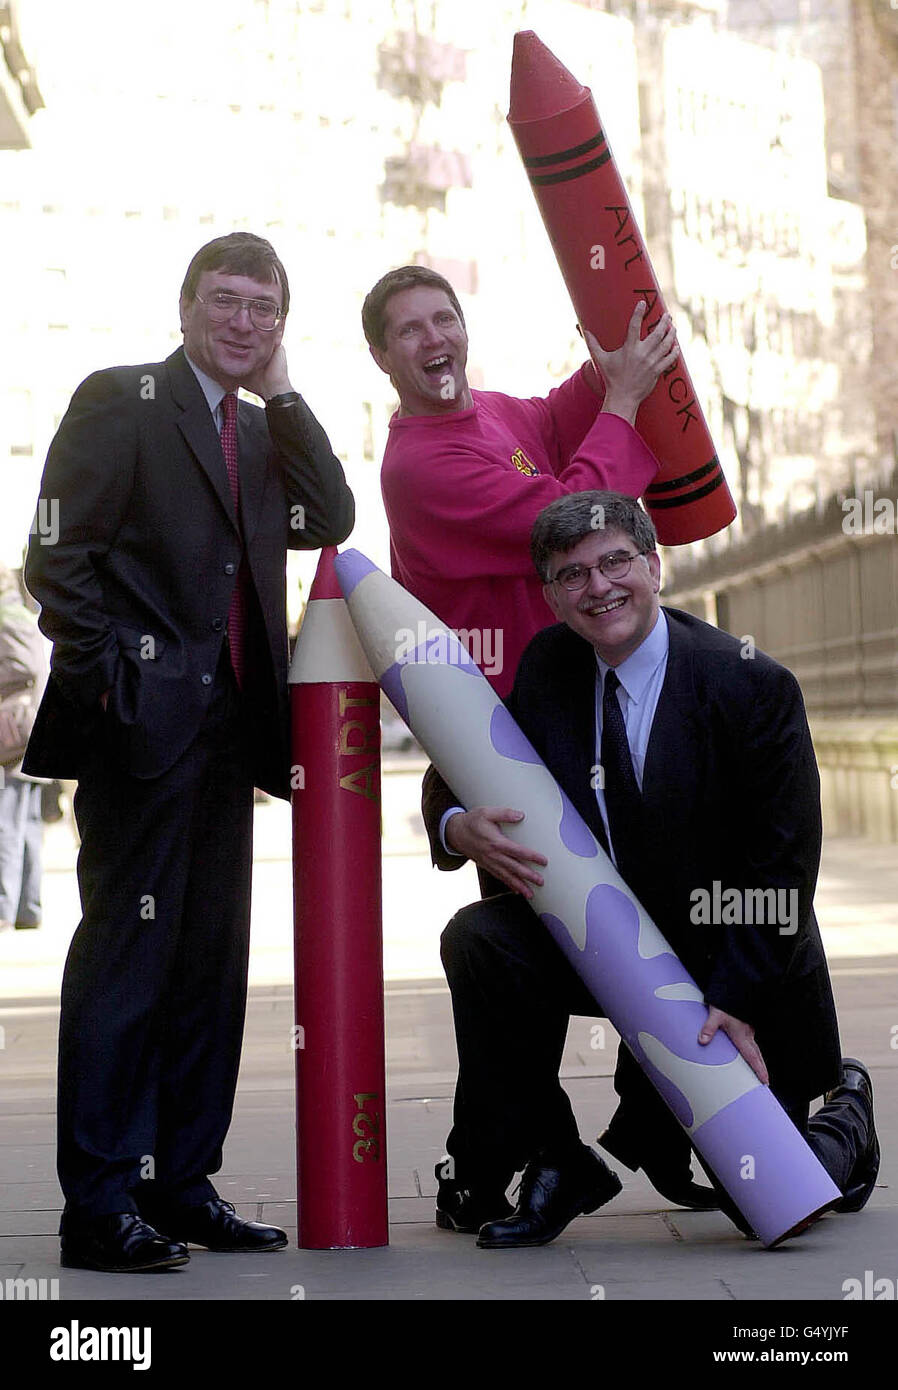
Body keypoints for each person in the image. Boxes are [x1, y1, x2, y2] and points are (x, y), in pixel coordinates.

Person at [421, 491, 878, 1248]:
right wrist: (455, 824)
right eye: (573, 576)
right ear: (552, 596)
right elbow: (468, 763)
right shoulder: (548, 666)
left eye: (614, 563)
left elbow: (784, 868)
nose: (598, 588)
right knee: (480, 939)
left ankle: (846, 1116)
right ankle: (560, 1157)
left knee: (770, 1199)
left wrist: (733, 997)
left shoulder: (751, 686)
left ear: (655, 566)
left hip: (729, 960)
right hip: (610, 950)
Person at [23, 232, 355, 1273]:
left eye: (265, 307)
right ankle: (100, 1205)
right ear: (185, 307)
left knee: (209, 964)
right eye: (227, 300)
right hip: (140, 732)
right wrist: (121, 677)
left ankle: (185, 1182)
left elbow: (331, 516)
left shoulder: (261, 437)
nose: (245, 321)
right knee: (128, 962)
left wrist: (288, 392)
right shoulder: (118, 399)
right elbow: (55, 553)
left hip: (234, 738)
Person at [362, 265, 677, 696]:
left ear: (464, 330)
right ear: (381, 356)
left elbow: (551, 420)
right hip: (508, 718)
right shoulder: (419, 467)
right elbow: (577, 525)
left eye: (444, 319)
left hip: (564, 684)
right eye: (410, 330)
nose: (434, 338)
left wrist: (607, 369)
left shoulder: (488, 408)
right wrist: (623, 395)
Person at [0, 564, 48, 932]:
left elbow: (20, 669)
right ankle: (29, 908)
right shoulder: (26, 615)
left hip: (10, 735)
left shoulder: (5, 619)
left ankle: (3, 907)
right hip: (32, 729)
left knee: (6, 824)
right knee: (28, 822)